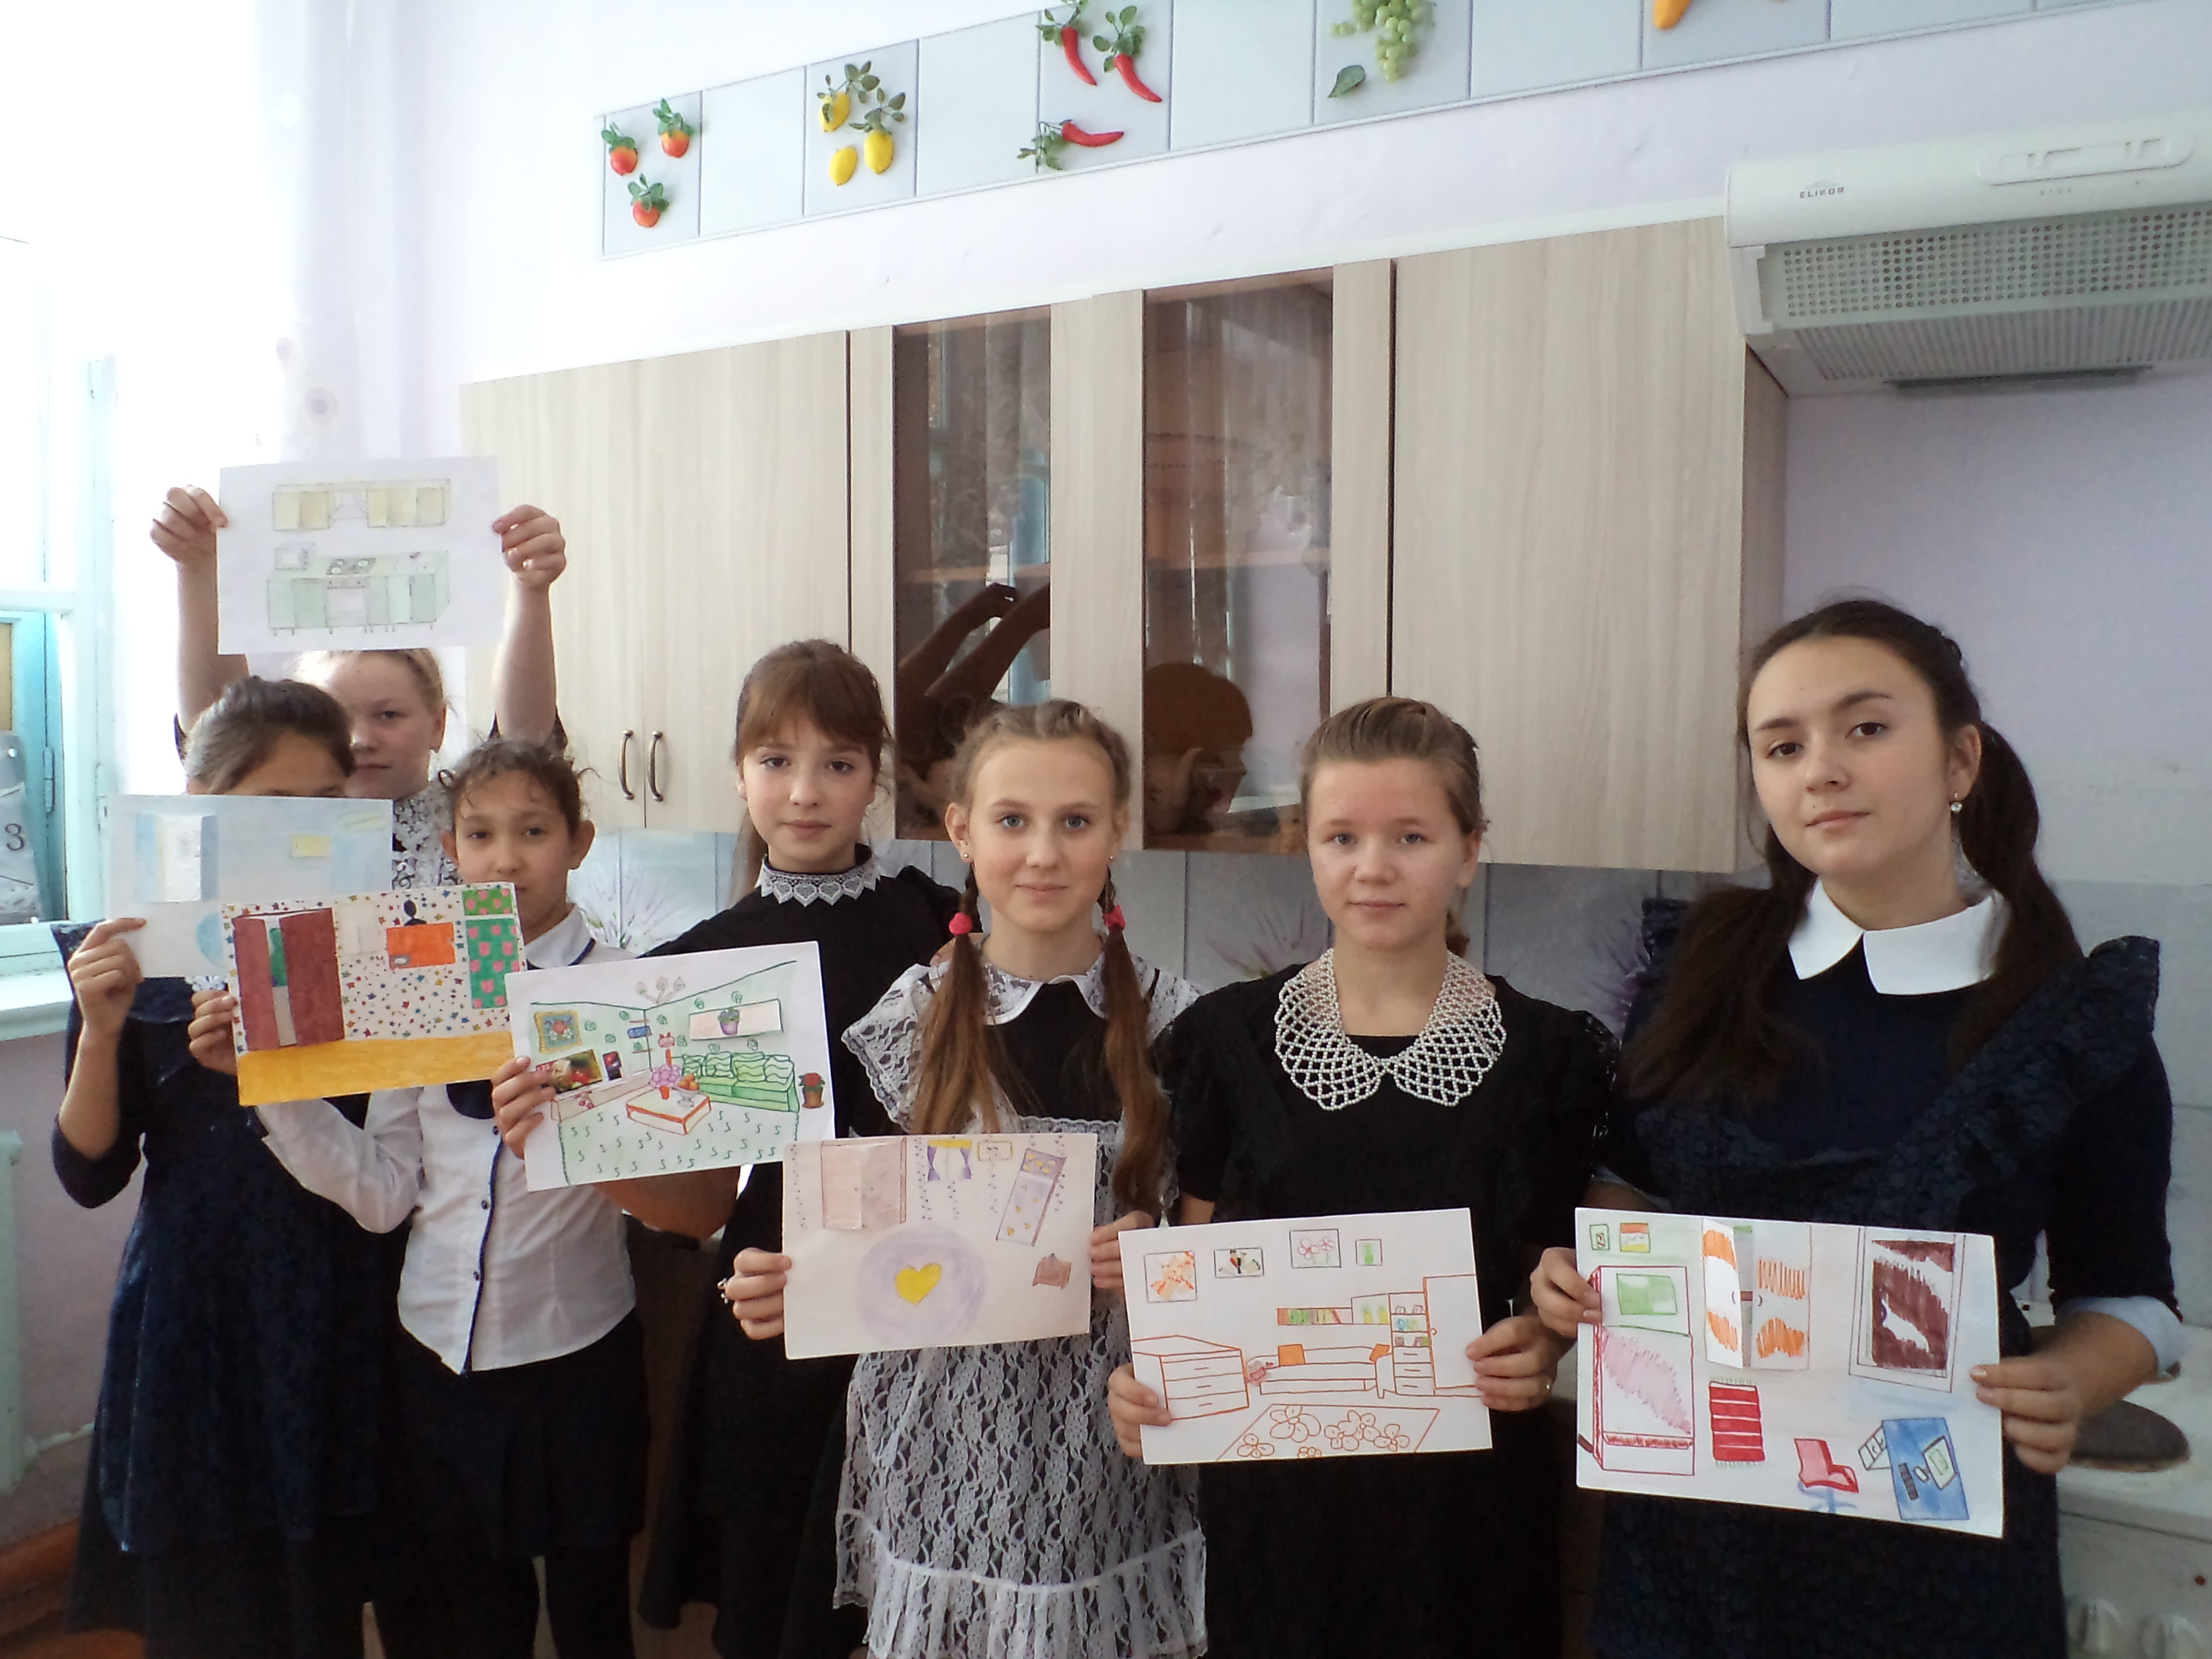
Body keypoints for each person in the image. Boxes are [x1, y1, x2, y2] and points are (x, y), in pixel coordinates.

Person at [1529, 598, 2177, 1659]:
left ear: (1960, 759)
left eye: (1865, 728)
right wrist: (1579, 1272)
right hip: (1685, 1555)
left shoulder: (2068, 1021)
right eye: (1782, 746)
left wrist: (2073, 1378)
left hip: (1933, 1567)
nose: (1820, 770)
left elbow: (2129, 1298)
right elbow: (1633, 1185)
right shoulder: (1701, 969)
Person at [1105, 696, 1613, 1658]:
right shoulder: (1227, 1041)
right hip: (1277, 1512)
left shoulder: (1552, 1056)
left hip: (1467, 1511)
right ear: (1307, 845)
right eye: (1342, 837)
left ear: (1469, 850)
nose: (1373, 867)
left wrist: (1545, 1342)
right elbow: (1195, 1268)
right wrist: (1153, 1380)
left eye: (1411, 836)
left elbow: (1556, 1275)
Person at [492, 640, 960, 1659]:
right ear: (739, 773)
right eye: (775, 760)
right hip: (773, 1307)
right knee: (775, 1616)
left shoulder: (942, 926)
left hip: (927, 1303)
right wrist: (569, 1136)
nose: (805, 792)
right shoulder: (688, 970)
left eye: (838, 763)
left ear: (876, 777)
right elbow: (701, 1207)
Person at [724, 699, 1208, 1659]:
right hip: (935, 1441)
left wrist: (1160, 1258)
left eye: (1076, 821)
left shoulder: (1184, 1028)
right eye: (1012, 820)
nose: (1043, 854)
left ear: (1118, 831)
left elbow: (1217, 1255)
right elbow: (844, 1227)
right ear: (961, 830)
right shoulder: (903, 1022)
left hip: (1106, 1446)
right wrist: (783, 1283)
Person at [242, 740, 643, 1659]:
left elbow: (666, 1193)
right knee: (473, 1620)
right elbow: (387, 1193)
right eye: (481, 835)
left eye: (533, 833)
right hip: (435, 1358)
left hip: (577, 1357)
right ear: (452, 850)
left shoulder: (624, 990)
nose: (506, 859)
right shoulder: (416, 985)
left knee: (591, 1618)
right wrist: (274, 1087)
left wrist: (581, 1125)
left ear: (578, 843)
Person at [53, 678, 390, 1658]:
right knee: (202, 1600)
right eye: (270, 805)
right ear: (200, 803)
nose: (299, 830)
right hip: (193, 1307)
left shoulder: (371, 943)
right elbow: (89, 1174)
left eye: (324, 804)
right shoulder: (137, 944)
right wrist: (100, 1030)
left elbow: (400, 1149)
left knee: (320, 1594)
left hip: (333, 1294)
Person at [150, 481, 568, 885]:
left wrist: (531, 589)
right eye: (336, 717)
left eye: (388, 715)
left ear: (438, 725)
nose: (360, 740)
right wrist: (196, 567)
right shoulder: (265, 822)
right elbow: (217, 724)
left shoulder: (476, 815)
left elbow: (526, 741)